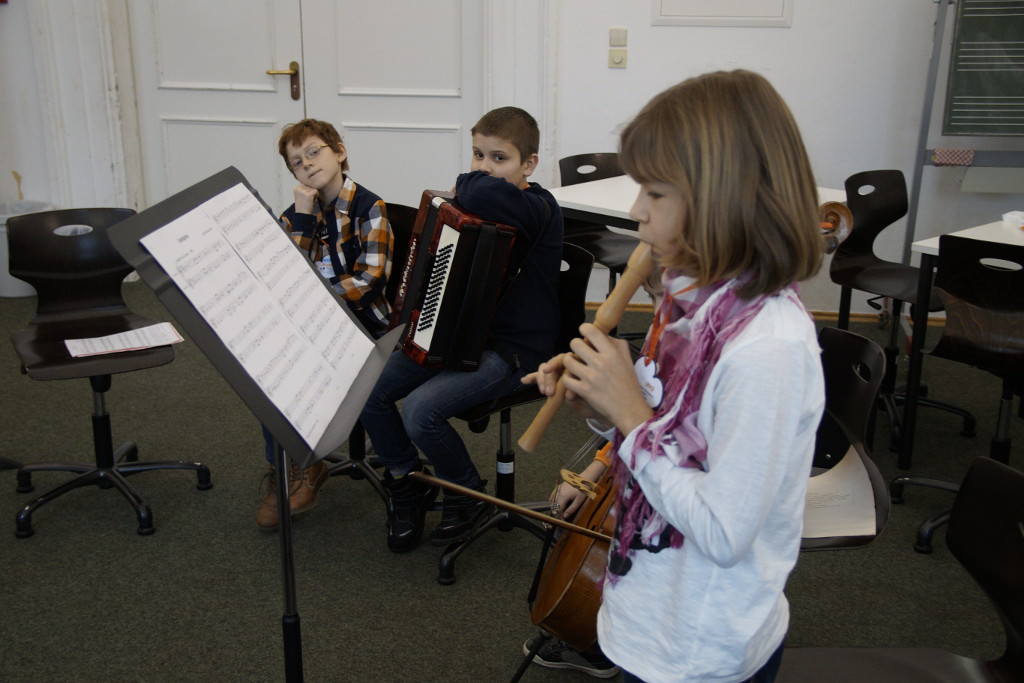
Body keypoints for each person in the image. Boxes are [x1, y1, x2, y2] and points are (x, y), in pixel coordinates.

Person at [524, 70, 825, 682]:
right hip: (646, 603)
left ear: (723, 199)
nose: (636, 212)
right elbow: (660, 425)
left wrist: (631, 416)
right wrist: (600, 396)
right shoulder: (691, 298)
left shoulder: (769, 348)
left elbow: (722, 529)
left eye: (655, 194)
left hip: (697, 648)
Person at [360, 106, 563, 553]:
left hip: (512, 350)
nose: (484, 168)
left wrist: (469, 181)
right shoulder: (493, 196)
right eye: (477, 155)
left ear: (529, 165)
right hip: (460, 335)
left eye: (499, 158)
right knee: (367, 390)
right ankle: (405, 480)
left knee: (418, 411)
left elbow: (478, 191)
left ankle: (466, 493)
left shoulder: (537, 207)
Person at [256, 118, 394, 531]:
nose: (308, 164)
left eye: (314, 151)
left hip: (365, 326)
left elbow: (368, 282)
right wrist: (302, 220)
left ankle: (305, 461)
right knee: (268, 366)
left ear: (339, 151)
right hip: (314, 324)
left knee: (297, 365)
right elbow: (284, 281)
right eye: (297, 162)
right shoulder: (294, 215)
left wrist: (312, 295)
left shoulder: (371, 207)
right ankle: (292, 466)